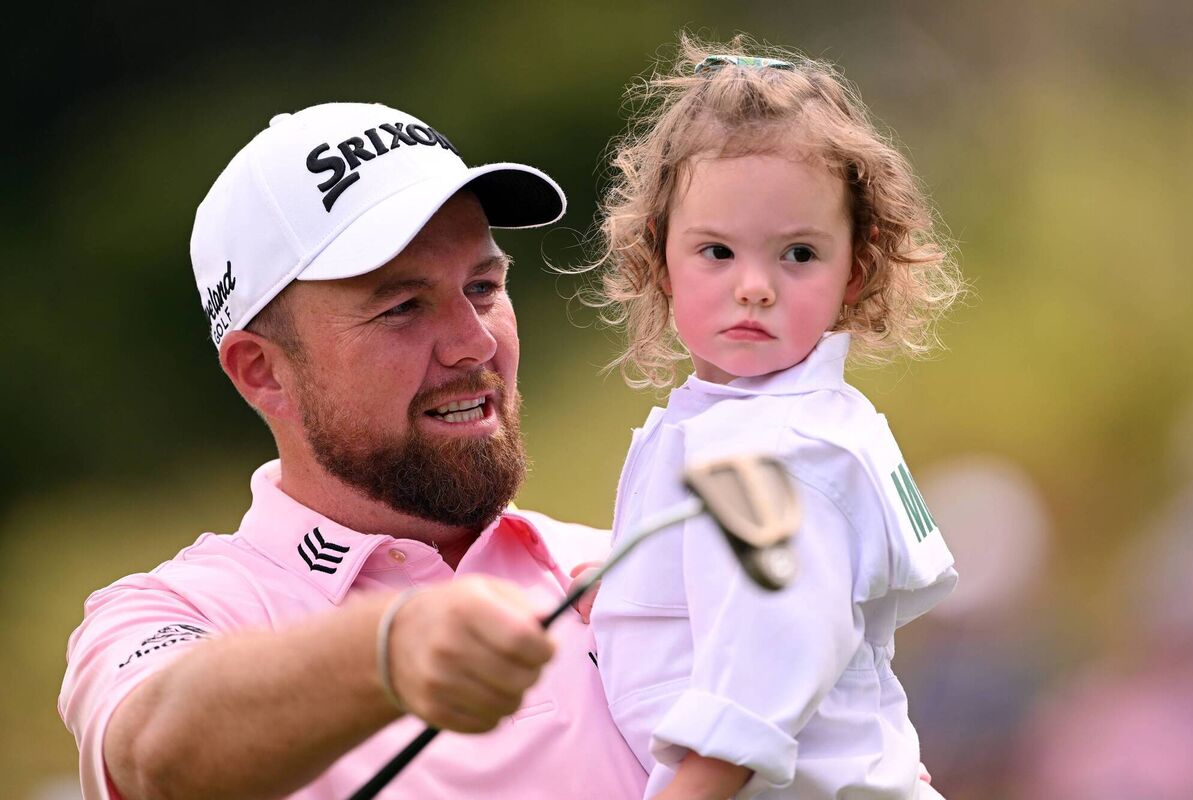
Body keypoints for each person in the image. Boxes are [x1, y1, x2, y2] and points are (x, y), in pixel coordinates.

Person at [58, 101, 648, 800]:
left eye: (483, 287)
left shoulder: (623, 569)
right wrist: (389, 648)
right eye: (402, 306)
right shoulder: (179, 609)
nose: (476, 343)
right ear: (262, 371)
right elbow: (157, 750)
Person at [584, 39, 964, 799]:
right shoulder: (745, 423)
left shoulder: (781, 452)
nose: (754, 286)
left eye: (797, 254)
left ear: (856, 267)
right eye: (717, 251)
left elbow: (758, 688)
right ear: (659, 257)